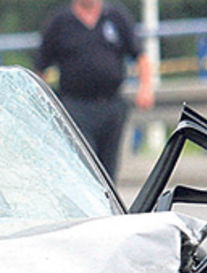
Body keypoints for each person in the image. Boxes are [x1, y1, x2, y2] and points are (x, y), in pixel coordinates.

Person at [35, 0, 154, 180]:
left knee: (108, 170)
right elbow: (40, 67)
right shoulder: (60, 22)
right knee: (86, 167)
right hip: (76, 106)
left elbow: (140, 55)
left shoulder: (115, 17)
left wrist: (145, 88)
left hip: (111, 103)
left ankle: (107, 206)